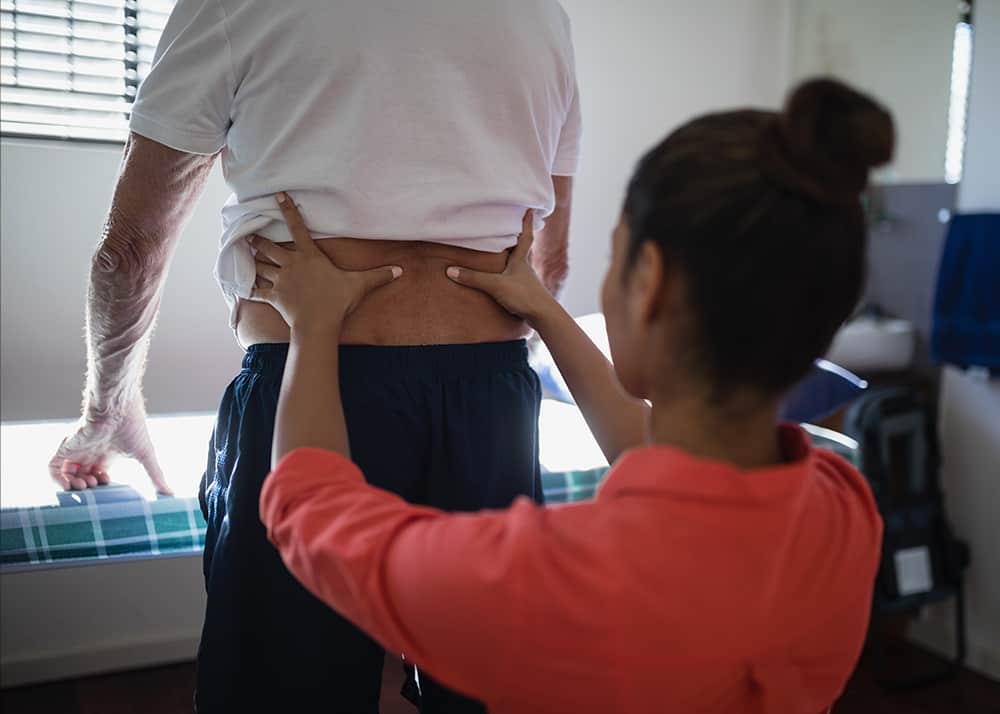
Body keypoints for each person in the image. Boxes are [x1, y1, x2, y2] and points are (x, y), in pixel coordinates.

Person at [253, 78, 889, 714]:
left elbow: (310, 510)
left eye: (615, 259)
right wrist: (543, 310)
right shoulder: (842, 507)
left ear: (649, 282)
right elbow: (661, 459)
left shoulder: (547, 582)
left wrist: (313, 326)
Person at [47, 1, 581, 712]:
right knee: (491, 694)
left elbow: (128, 252)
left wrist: (107, 410)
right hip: (493, 400)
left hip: (310, 383)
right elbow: (549, 264)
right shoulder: (542, 13)